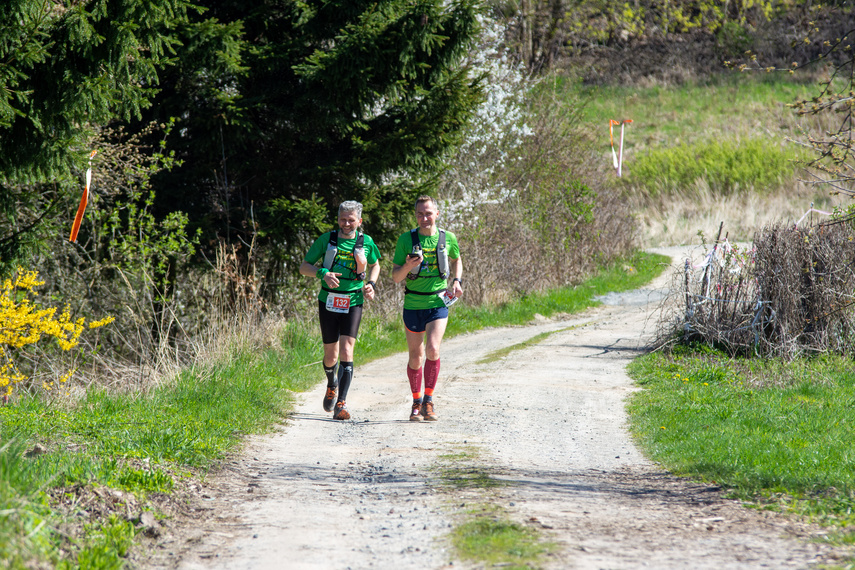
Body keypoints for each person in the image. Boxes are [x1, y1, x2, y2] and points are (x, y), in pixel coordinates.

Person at [300, 201, 381, 420]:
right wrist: (322, 274)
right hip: (328, 301)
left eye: (351, 220)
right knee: (330, 354)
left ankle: (342, 404)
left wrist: (371, 285)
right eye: (343, 219)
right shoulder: (327, 240)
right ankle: (331, 383)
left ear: (359, 221)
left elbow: (375, 265)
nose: (346, 223)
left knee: (347, 350)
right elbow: (304, 266)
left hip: (353, 300)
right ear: (338, 220)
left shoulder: (366, 242)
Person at [391, 195, 463, 421]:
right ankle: (416, 403)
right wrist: (408, 266)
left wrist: (457, 280)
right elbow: (395, 277)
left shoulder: (447, 237)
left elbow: (456, 259)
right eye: (420, 214)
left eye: (428, 213)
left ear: (437, 214)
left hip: (438, 302)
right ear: (416, 216)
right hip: (413, 303)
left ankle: (429, 402)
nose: (424, 218)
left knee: (433, 349)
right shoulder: (406, 239)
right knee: (416, 357)